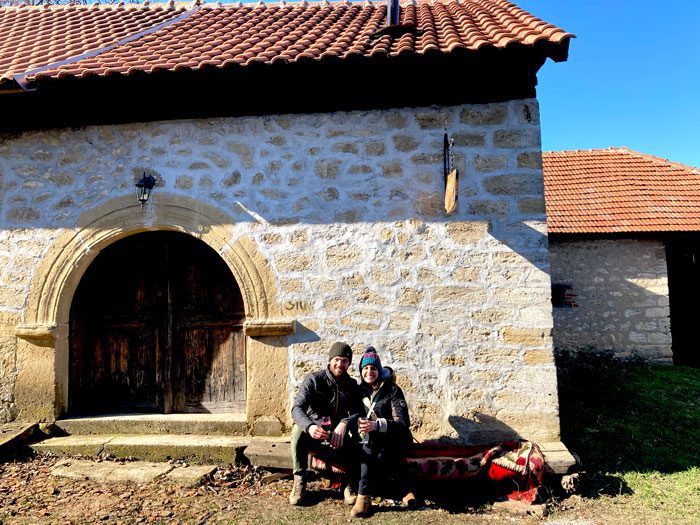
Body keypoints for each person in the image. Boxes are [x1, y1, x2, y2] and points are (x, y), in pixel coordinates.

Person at [289, 341, 363, 506]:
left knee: (357, 444)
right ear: (330, 360)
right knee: (297, 433)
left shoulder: (351, 386)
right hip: (315, 432)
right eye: (337, 359)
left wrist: (344, 423)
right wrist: (310, 426)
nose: (340, 364)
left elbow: (358, 411)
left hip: (337, 435)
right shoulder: (314, 380)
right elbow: (296, 408)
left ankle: (349, 484)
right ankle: (299, 480)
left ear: (349, 363)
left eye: (344, 360)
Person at [352, 346, 414, 517]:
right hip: (370, 440)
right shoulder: (358, 392)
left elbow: (403, 422)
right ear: (361, 371)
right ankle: (367, 496)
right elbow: (353, 414)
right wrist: (358, 422)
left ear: (379, 370)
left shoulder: (393, 390)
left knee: (372, 438)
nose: (369, 372)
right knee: (369, 440)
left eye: (373, 368)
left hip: (395, 438)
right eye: (365, 368)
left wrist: (377, 425)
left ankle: (363, 496)